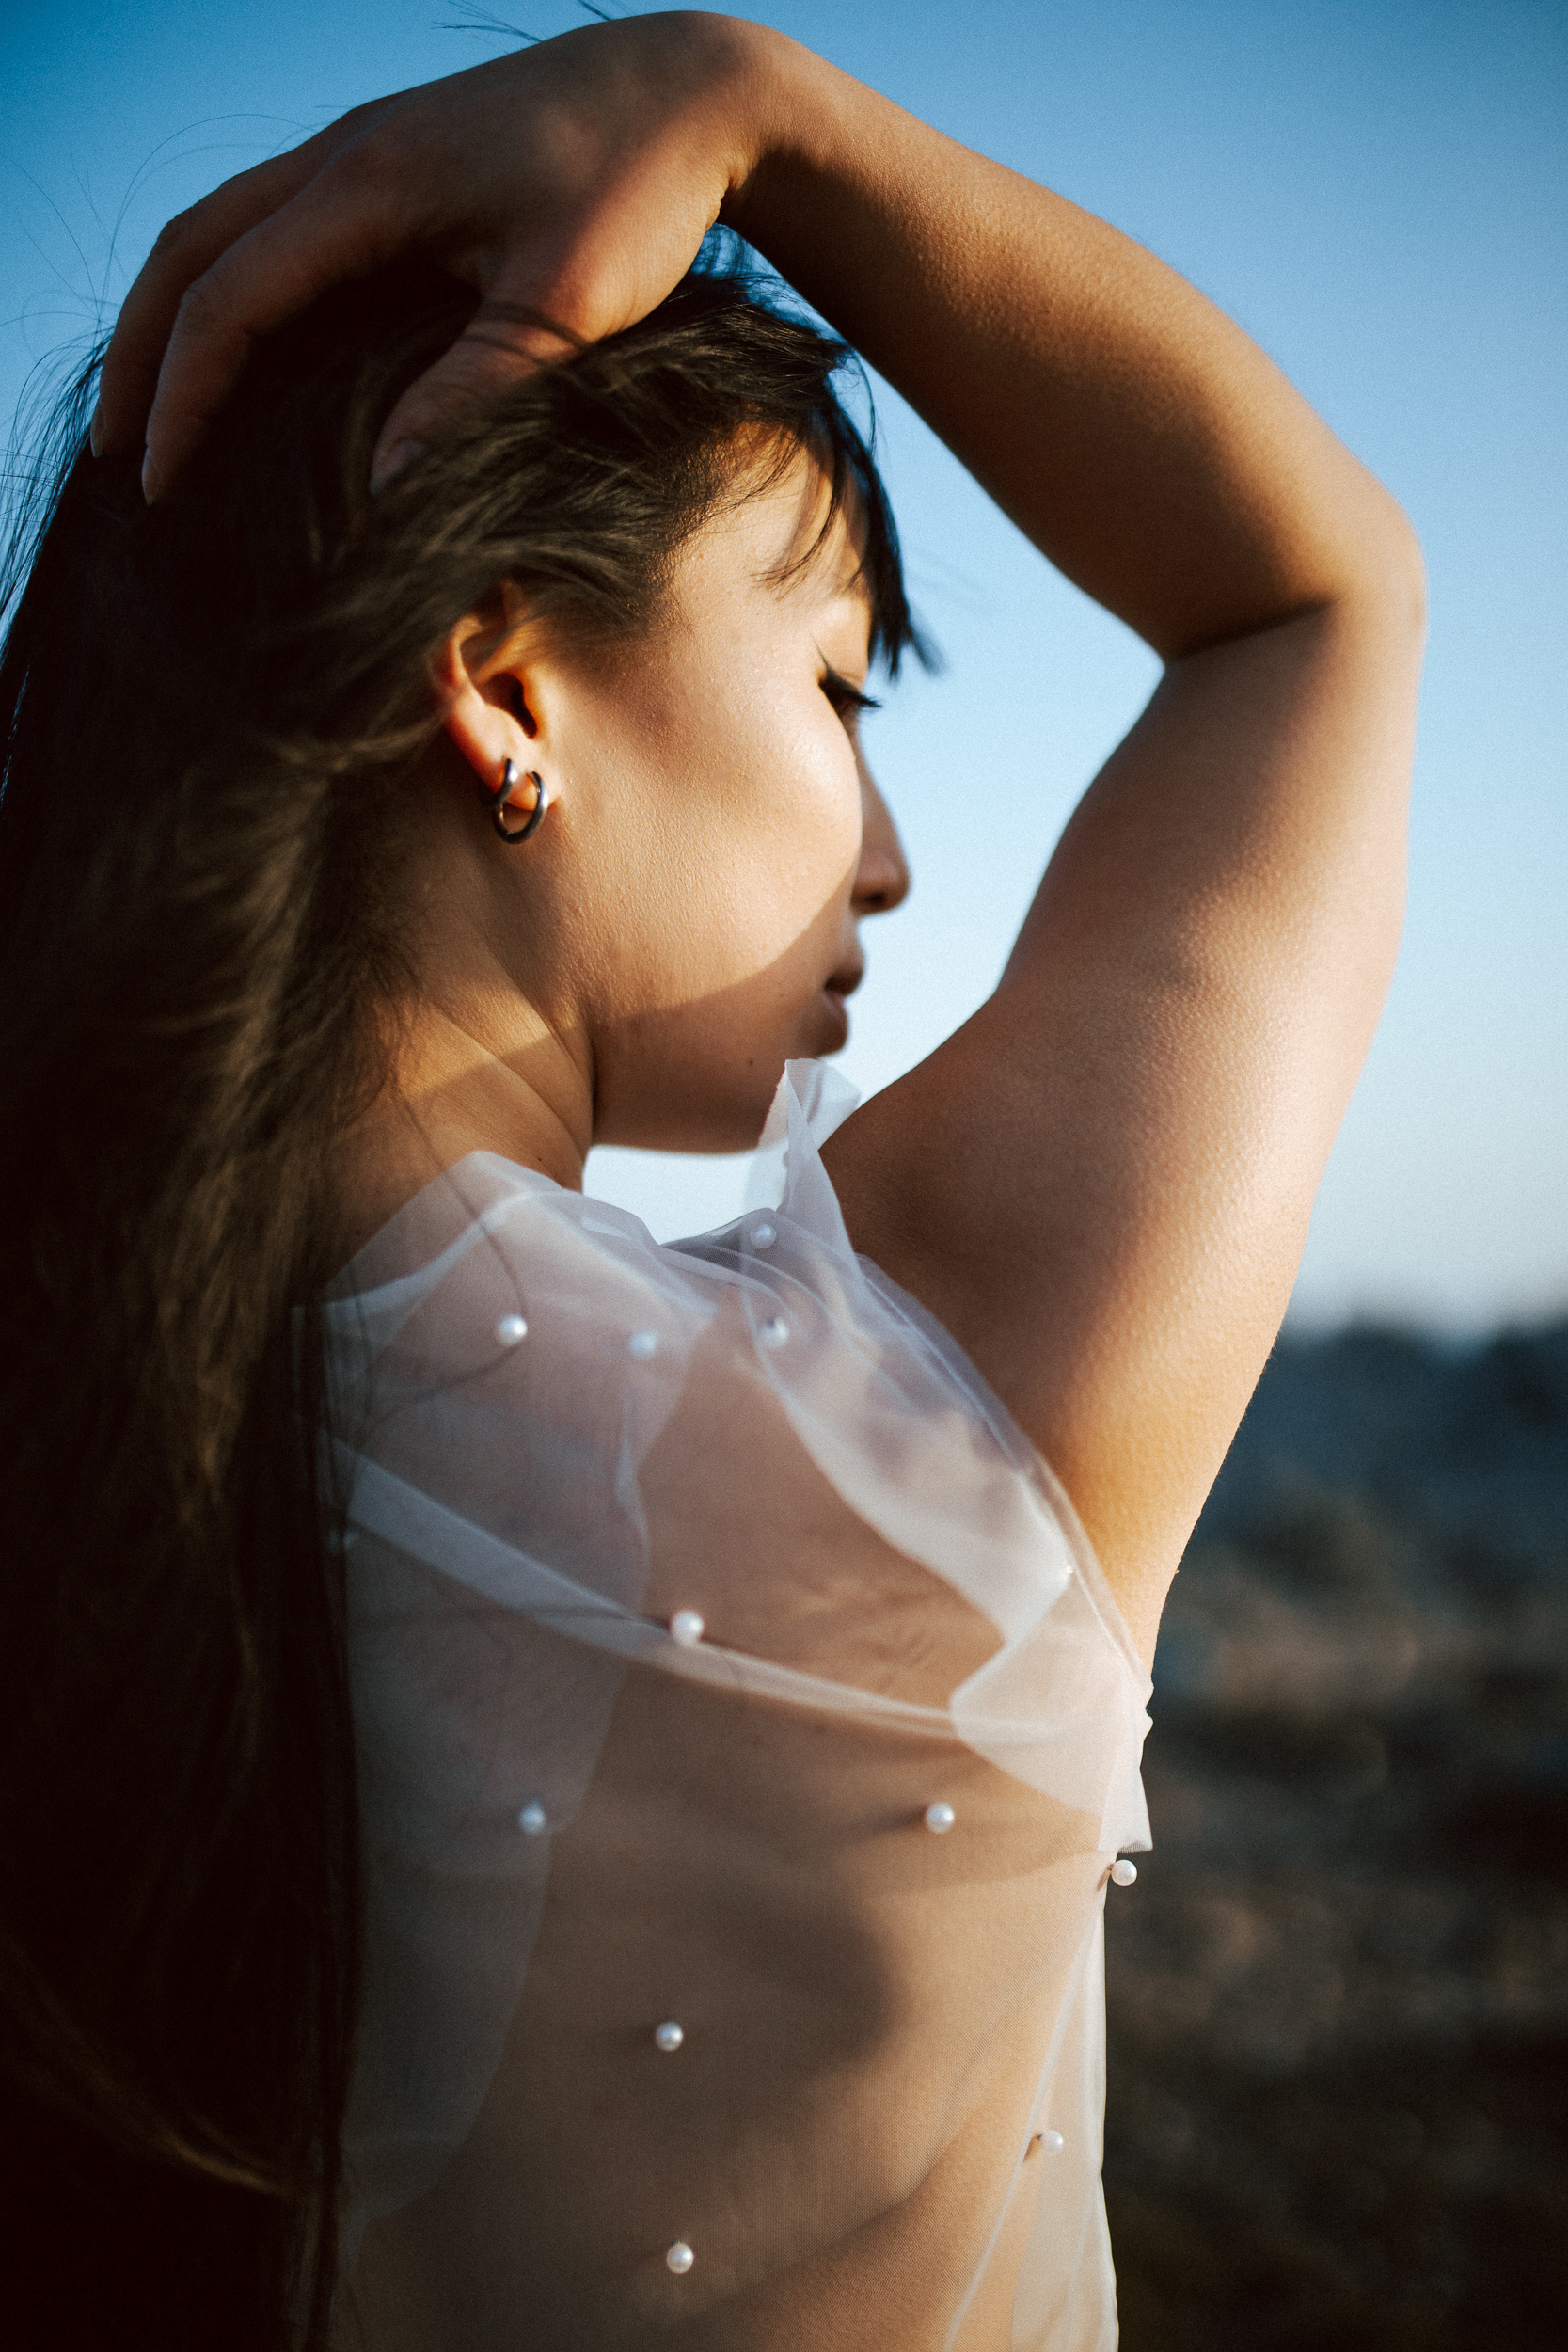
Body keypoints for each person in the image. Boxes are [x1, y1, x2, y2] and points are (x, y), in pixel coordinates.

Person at [0, 12, 1424, 2349]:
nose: (884, 846)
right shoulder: (925, 1446)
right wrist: (766, 105)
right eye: (845, 684)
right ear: (505, 680)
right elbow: (1318, 591)